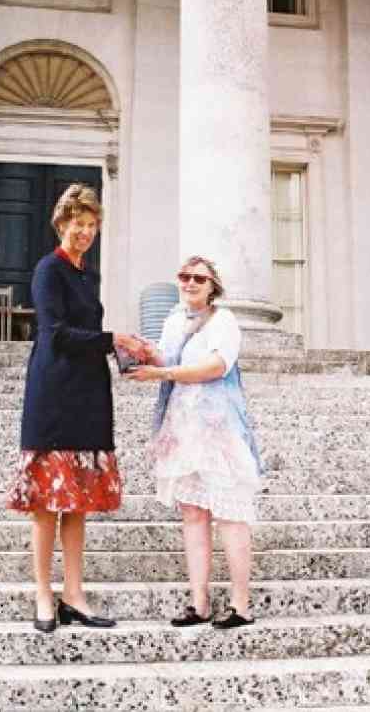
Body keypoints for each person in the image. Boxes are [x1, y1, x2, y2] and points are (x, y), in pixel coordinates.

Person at [5, 183, 146, 633]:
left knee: (78, 503)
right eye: (77, 225)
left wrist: (121, 351)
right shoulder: (49, 269)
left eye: (91, 226)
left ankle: (74, 593)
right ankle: (44, 594)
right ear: (61, 225)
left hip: (88, 390)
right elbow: (56, 333)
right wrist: (113, 339)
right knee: (47, 502)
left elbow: (86, 332)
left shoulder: (89, 275)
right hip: (53, 393)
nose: (85, 233)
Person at [125, 256, 262, 629]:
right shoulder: (173, 320)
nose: (189, 283)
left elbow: (218, 366)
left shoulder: (225, 321)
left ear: (213, 285)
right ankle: (199, 603)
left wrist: (164, 371)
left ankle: (241, 605)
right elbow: (167, 358)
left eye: (198, 278)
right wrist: (143, 353)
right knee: (193, 513)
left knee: (231, 514)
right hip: (183, 426)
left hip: (218, 428)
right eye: (184, 277)